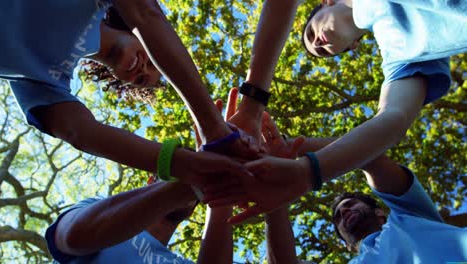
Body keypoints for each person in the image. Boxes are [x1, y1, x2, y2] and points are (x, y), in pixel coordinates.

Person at [204, 0, 467, 222]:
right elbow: (393, 120)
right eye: (321, 53)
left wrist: (251, 107)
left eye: (310, 34)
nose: (317, 46)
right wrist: (306, 170)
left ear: (326, 2)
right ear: (352, 47)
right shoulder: (401, 56)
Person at [0, 1, 260, 190]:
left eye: (142, 79)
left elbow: (79, 132)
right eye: (153, 60)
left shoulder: (48, 83)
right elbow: (147, 15)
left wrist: (187, 166)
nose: (142, 68)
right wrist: (213, 127)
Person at [257, 116, 467, 263]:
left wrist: (292, 147)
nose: (344, 212)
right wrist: (273, 192)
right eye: (338, 217)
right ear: (347, 247)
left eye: (349, 205)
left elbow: (370, 158)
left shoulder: (409, 216)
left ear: (380, 213)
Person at [45, 174, 233, 263]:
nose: (188, 174)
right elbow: (72, 236)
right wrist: (208, 175)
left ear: (192, 209)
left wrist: (224, 182)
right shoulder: (96, 208)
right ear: (151, 181)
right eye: (175, 171)